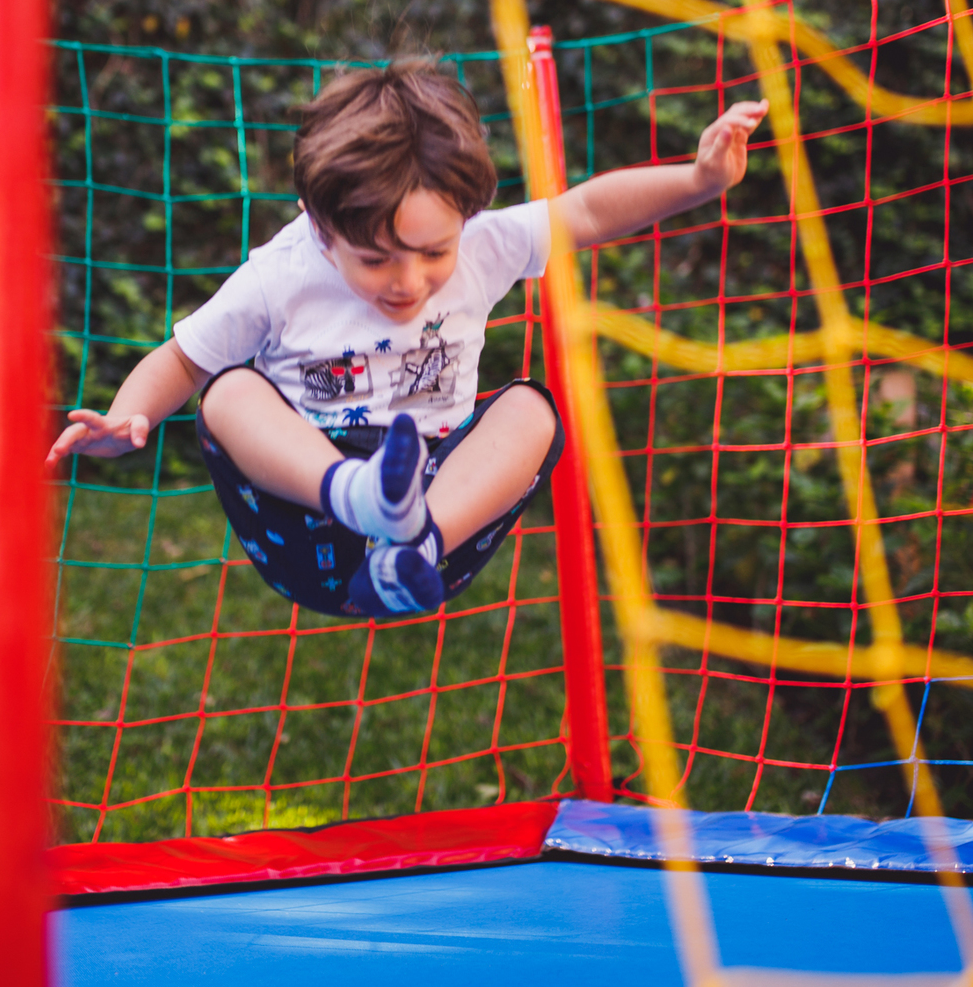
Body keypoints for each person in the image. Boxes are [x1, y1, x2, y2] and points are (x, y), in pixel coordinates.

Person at [46, 62, 767, 619]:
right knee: (227, 391)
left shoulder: (482, 244)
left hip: (434, 521)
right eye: (376, 259)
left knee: (533, 410)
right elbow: (182, 358)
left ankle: (410, 541)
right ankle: (361, 495)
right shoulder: (281, 275)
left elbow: (585, 212)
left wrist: (698, 180)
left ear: (464, 218)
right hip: (309, 521)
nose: (409, 281)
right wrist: (128, 417)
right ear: (320, 227)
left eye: (433, 253)